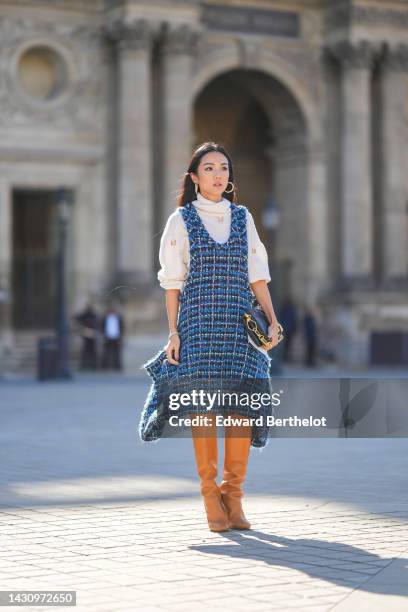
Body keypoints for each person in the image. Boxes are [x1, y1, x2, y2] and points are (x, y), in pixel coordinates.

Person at [139, 142, 282, 533]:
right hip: (198, 326)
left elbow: (258, 274)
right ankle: (210, 498)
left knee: (240, 409)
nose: (218, 174)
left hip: (240, 327)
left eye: (223, 168)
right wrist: (173, 332)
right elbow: (172, 284)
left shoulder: (243, 217)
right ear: (194, 177)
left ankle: (233, 498)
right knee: (203, 410)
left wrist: (271, 319)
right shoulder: (180, 220)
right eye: (209, 168)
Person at [73, 302, 99, 371]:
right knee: (85, 352)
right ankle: (85, 365)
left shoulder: (93, 315)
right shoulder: (85, 315)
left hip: (92, 336)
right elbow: (77, 318)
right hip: (86, 335)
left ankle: (93, 366)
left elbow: (97, 323)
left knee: (91, 352)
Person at [101, 305, 124, 370]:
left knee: (117, 353)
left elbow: (122, 328)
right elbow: (102, 327)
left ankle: (117, 366)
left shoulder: (119, 318)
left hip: (116, 337)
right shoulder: (105, 318)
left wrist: (121, 337)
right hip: (107, 337)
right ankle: (105, 366)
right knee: (106, 352)